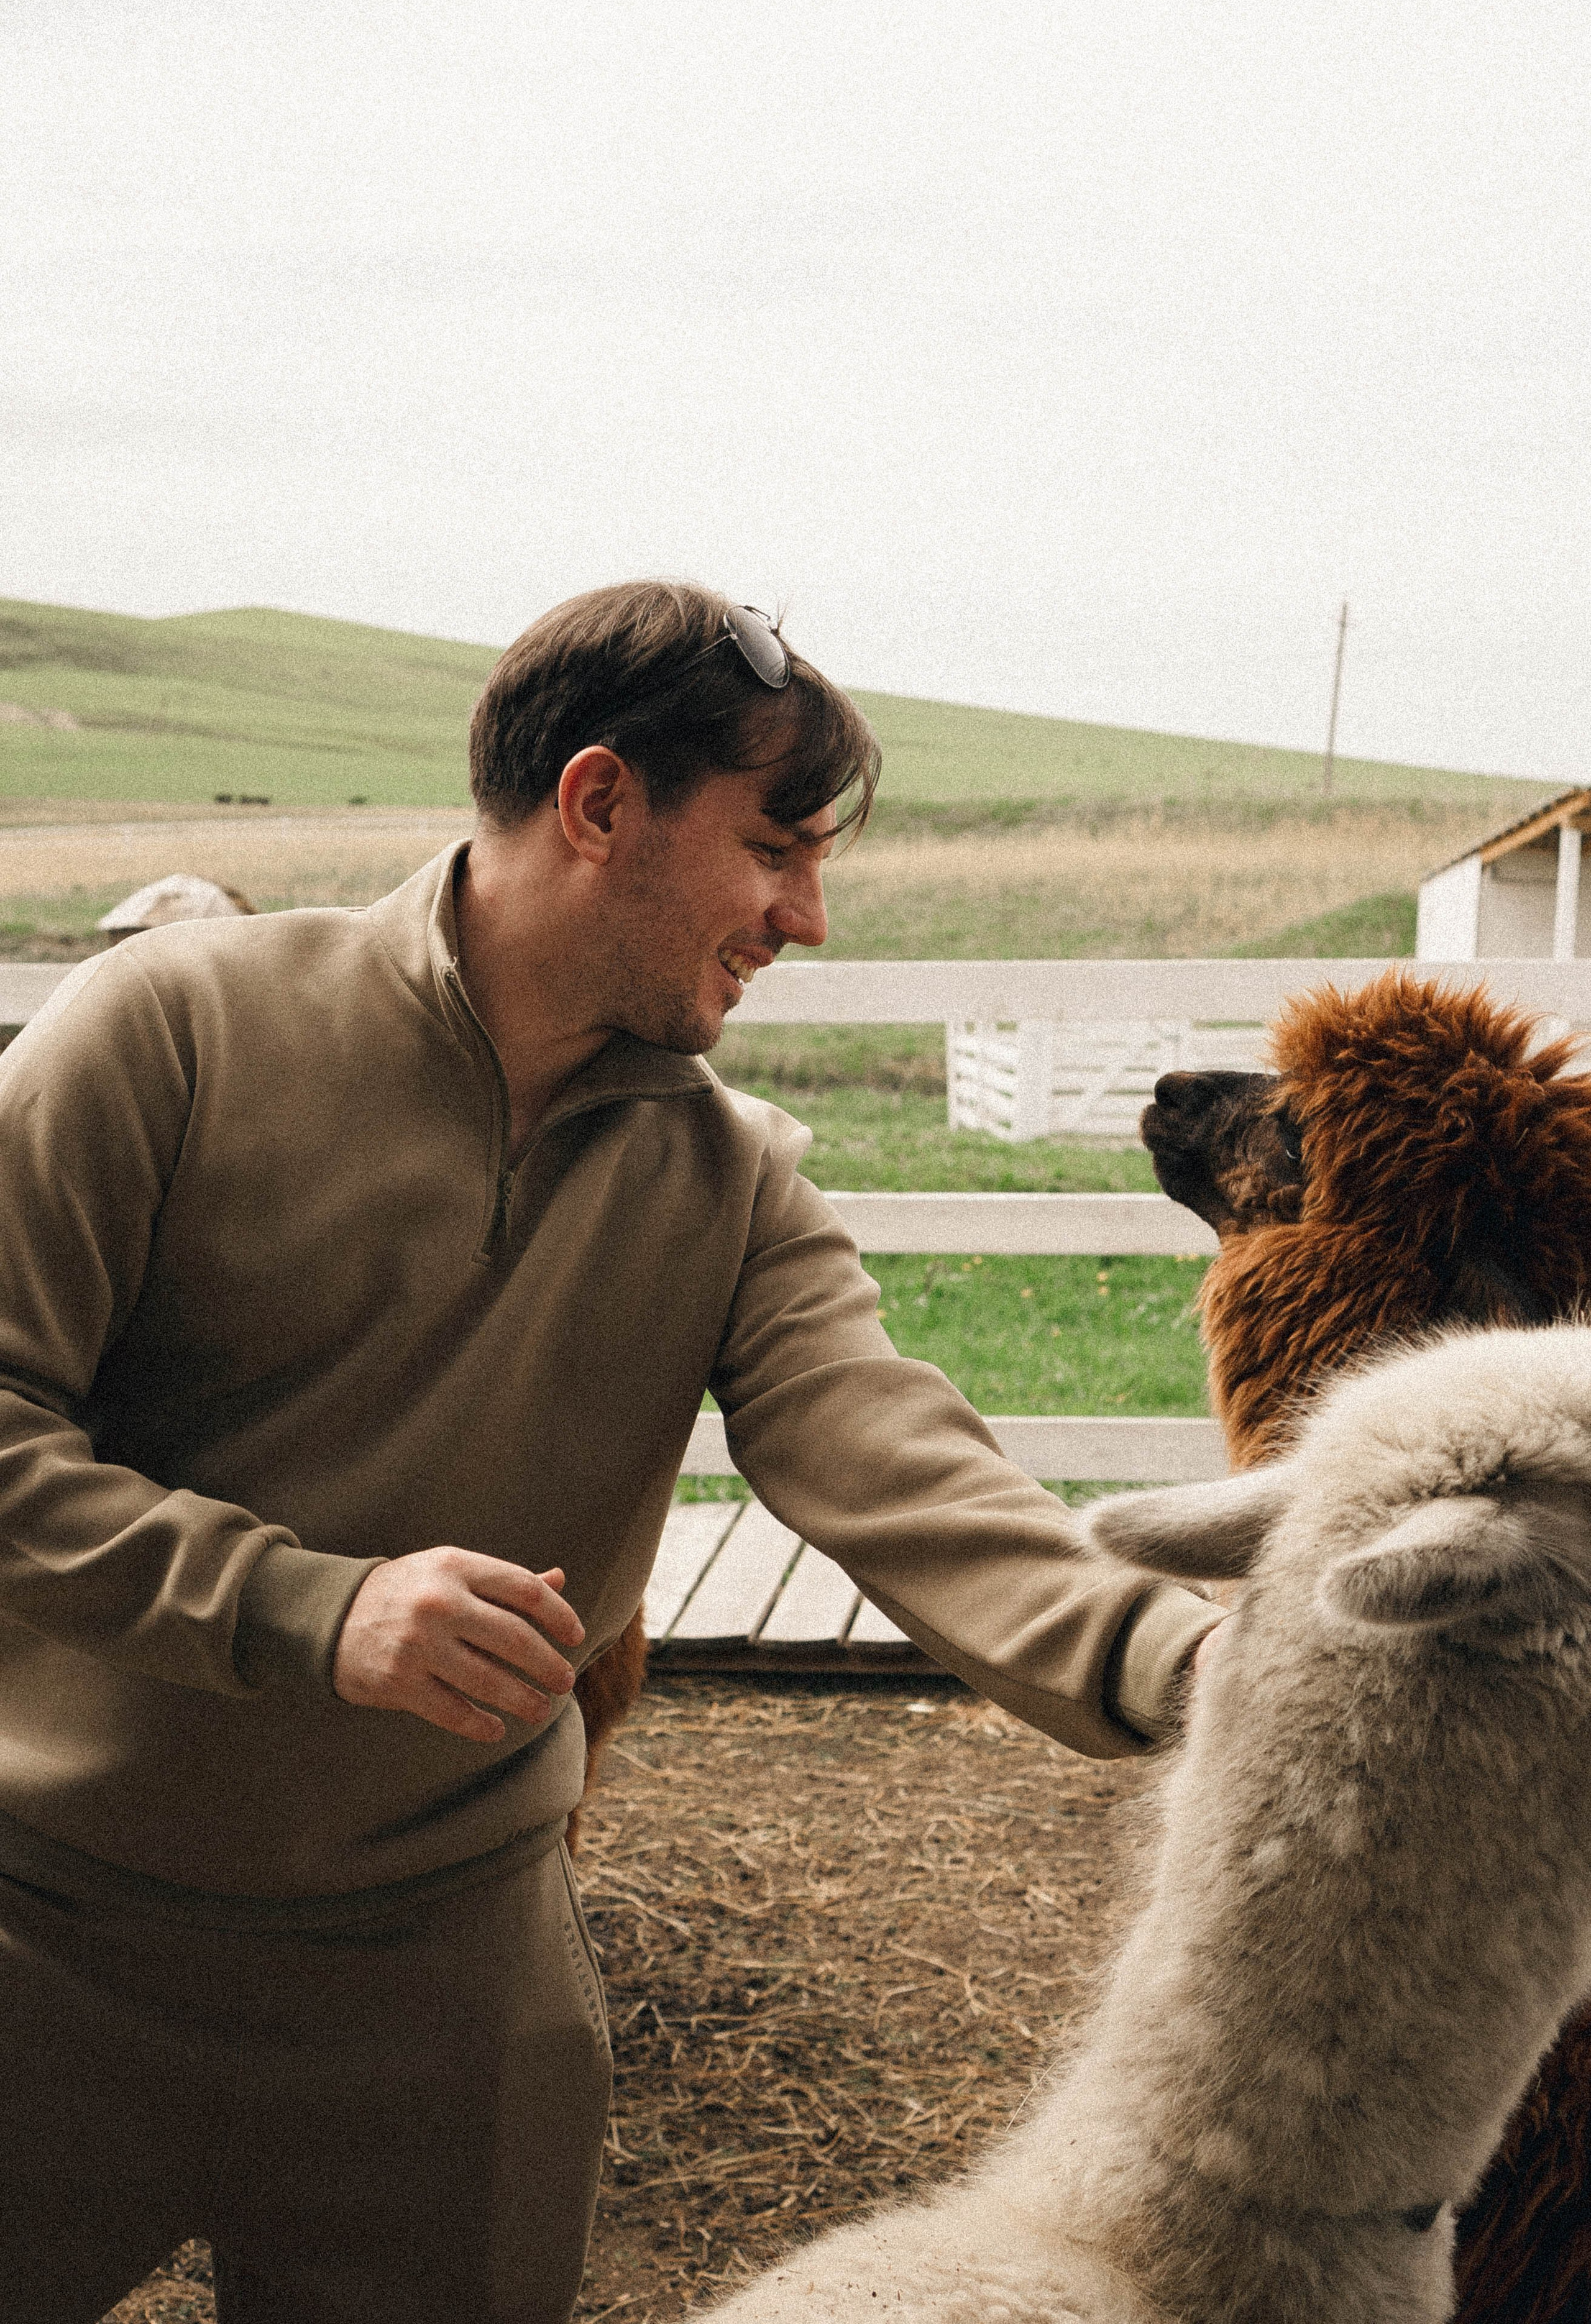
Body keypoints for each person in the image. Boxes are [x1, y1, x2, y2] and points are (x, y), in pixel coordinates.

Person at [0, 581, 1222, 2324]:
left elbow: (897, 1457)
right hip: (47, 1938)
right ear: (597, 805)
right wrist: (302, 1608)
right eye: (776, 846)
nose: (806, 916)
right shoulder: (169, 1033)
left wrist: (1214, 1669)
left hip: (449, 1990)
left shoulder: (736, 1184)